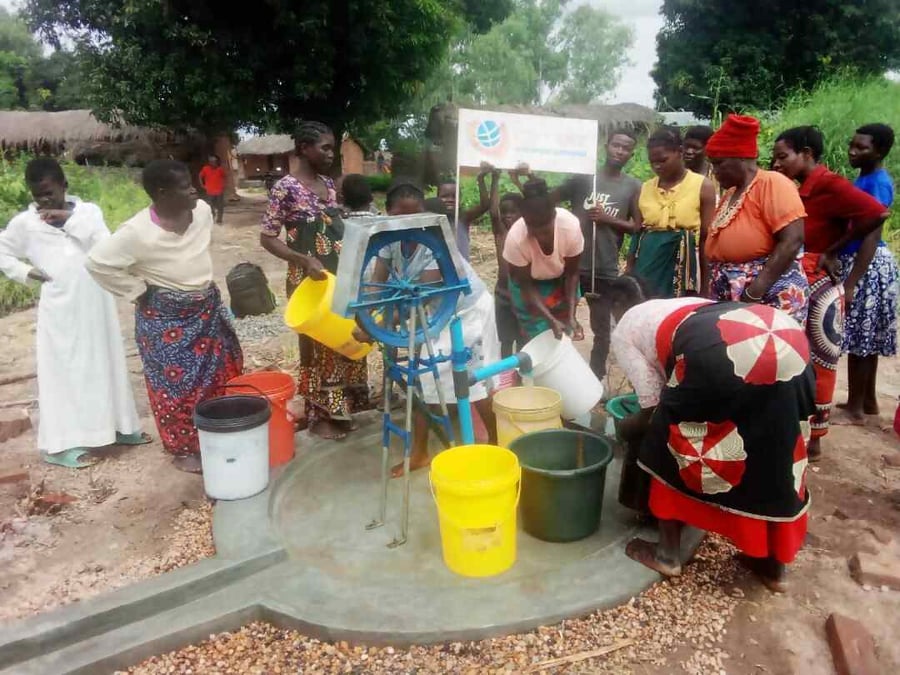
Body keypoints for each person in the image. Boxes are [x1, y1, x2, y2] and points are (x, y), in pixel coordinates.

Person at [610, 275, 815, 593]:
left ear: (617, 309)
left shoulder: (624, 329)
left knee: (668, 439)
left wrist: (621, 431)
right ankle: (773, 568)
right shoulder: (678, 304)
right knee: (777, 444)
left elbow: (652, 409)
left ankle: (666, 554)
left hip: (718, 351)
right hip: (786, 337)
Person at [86, 160, 243, 474]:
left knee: (216, 375)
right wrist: (136, 290)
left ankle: (217, 433)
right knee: (174, 388)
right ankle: (183, 449)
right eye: (185, 186)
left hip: (206, 311)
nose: (193, 190)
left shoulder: (202, 213)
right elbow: (97, 264)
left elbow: (195, 253)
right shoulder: (136, 233)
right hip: (165, 321)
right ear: (161, 193)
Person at [0, 159, 146, 469]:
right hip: (60, 309)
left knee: (105, 362)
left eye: (50, 193)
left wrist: (68, 219)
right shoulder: (25, 223)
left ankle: (118, 427)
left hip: (97, 302)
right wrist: (28, 272)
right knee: (64, 372)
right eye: (38, 196)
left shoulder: (88, 213)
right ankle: (59, 445)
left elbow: (107, 246)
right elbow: (3, 251)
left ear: (64, 185)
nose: (44, 202)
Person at [772, 126, 890, 459]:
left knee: (822, 358)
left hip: (821, 282)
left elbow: (876, 214)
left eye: (783, 157)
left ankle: (815, 438)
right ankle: (790, 426)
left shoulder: (831, 184)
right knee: (791, 354)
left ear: (807, 154)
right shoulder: (800, 187)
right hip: (799, 278)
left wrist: (834, 250)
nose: (777, 164)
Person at [369, 179, 500, 475]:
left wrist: (380, 324)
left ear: (424, 214)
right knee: (422, 381)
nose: (407, 225)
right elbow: (378, 285)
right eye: (399, 217)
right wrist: (370, 316)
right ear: (387, 214)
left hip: (466, 312)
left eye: (414, 217)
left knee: (471, 379)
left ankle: (495, 442)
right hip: (431, 313)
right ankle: (419, 453)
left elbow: (423, 290)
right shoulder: (389, 243)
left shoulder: (434, 243)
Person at [260, 121, 369, 440]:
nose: (330, 153)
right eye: (324, 147)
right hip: (309, 279)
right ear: (304, 149)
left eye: (332, 147)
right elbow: (267, 237)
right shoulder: (285, 187)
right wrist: (303, 260)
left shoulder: (329, 184)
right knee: (319, 345)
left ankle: (345, 406)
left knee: (344, 336)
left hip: (338, 275)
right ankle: (321, 414)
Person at [704, 115, 810, 324]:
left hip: (767, 292)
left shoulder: (773, 183)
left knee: (768, 353)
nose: (715, 172)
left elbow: (792, 240)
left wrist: (754, 292)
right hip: (734, 292)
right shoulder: (731, 193)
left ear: (741, 158)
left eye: (719, 164)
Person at [557, 129, 642, 380]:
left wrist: (607, 219)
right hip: (570, 263)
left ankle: (595, 376)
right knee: (560, 320)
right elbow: (550, 198)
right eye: (616, 145)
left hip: (604, 266)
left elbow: (636, 225)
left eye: (626, 148)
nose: (620, 151)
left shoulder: (632, 185)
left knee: (602, 328)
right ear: (606, 146)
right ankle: (560, 373)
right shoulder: (583, 178)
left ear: (631, 154)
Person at [837, 123, 897, 422]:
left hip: (867, 264)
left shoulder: (877, 183)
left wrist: (851, 282)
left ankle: (855, 407)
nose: (853, 150)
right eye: (853, 144)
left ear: (881, 151)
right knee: (867, 337)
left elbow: (871, 234)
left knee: (860, 337)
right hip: (865, 263)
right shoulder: (866, 178)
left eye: (862, 147)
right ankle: (868, 400)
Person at [628, 127, 717, 298]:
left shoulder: (702, 186)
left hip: (684, 267)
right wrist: (629, 274)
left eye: (663, 160)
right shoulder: (644, 189)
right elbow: (637, 235)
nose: (657, 166)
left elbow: (707, 238)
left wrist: (706, 286)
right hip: (647, 265)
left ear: (680, 152)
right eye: (652, 162)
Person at [502, 178, 584, 341]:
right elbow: (525, 286)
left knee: (564, 333)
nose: (539, 236)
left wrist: (571, 316)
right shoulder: (515, 238)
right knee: (538, 335)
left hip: (561, 280)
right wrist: (550, 320)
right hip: (529, 286)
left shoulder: (570, 227)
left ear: (554, 217)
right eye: (533, 230)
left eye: (545, 231)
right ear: (525, 221)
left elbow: (572, 274)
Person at [491, 190, 523, 359]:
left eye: (513, 212)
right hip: (503, 294)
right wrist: (494, 179)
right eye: (504, 212)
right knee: (505, 339)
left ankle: (520, 376)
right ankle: (506, 376)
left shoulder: (528, 234)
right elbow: (493, 212)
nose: (507, 216)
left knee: (523, 338)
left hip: (522, 295)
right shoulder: (500, 232)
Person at [437, 170, 492, 261]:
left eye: (454, 196)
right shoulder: (432, 219)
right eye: (445, 196)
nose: (450, 200)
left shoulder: (463, 218)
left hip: (462, 271)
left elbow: (485, 205)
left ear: (460, 198)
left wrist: (481, 179)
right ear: (437, 197)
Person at [683, 125, 719, 194]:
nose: (689, 151)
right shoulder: (674, 174)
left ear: (707, 149)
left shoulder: (717, 175)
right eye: (686, 146)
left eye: (695, 148)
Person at [198, 154, 226, 224]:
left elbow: (224, 177)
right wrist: (202, 185)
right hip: (210, 191)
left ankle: (219, 220)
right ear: (209, 162)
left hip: (219, 191)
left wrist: (223, 186)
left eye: (214, 161)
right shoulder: (205, 169)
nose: (212, 163)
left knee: (220, 206)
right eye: (211, 161)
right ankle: (212, 216)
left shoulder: (220, 169)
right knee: (210, 206)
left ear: (217, 162)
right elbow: (200, 176)